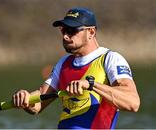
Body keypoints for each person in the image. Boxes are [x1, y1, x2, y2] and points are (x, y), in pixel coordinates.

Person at [12, 7, 140, 129]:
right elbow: (38, 104)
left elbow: (132, 103)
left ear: (91, 32)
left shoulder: (110, 59)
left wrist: (91, 84)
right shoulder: (63, 63)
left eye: (72, 31)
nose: (65, 36)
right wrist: (26, 99)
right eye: (63, 30)